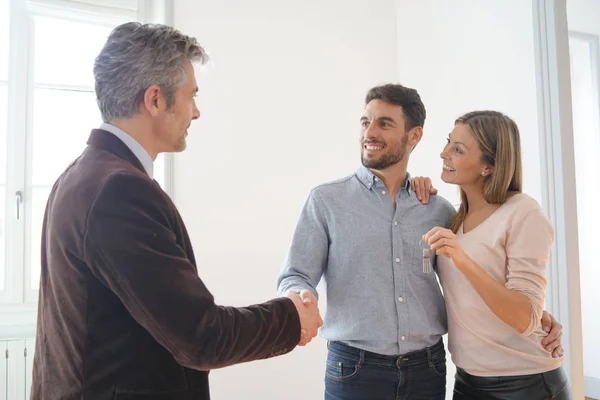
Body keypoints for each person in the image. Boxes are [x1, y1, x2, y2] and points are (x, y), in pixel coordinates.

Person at [30, 22, 322, 400]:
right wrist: (290, 318)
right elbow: (200, 336)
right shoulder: (118, 191)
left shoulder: (83, 174)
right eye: (191, 96)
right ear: (155, 100)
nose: (196, 112)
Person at [276, 84, 563, 400]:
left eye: (384, 123)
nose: (369, 132)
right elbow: (296, 275)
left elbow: (479, 278)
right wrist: (299, 296)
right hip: (356, 369)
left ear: (414, 136)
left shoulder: (439, 211)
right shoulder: (326, 201)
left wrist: (537, 316)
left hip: (427, 369)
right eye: (365, 121)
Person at [423, 110, 571, 399]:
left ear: (487, 167)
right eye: (448, 142)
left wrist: (463, 260)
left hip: (525, 382)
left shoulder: (523, 212)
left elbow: (524, 318)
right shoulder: (455, 218)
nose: (443, 154)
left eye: (458, 149)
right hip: (468, 379)